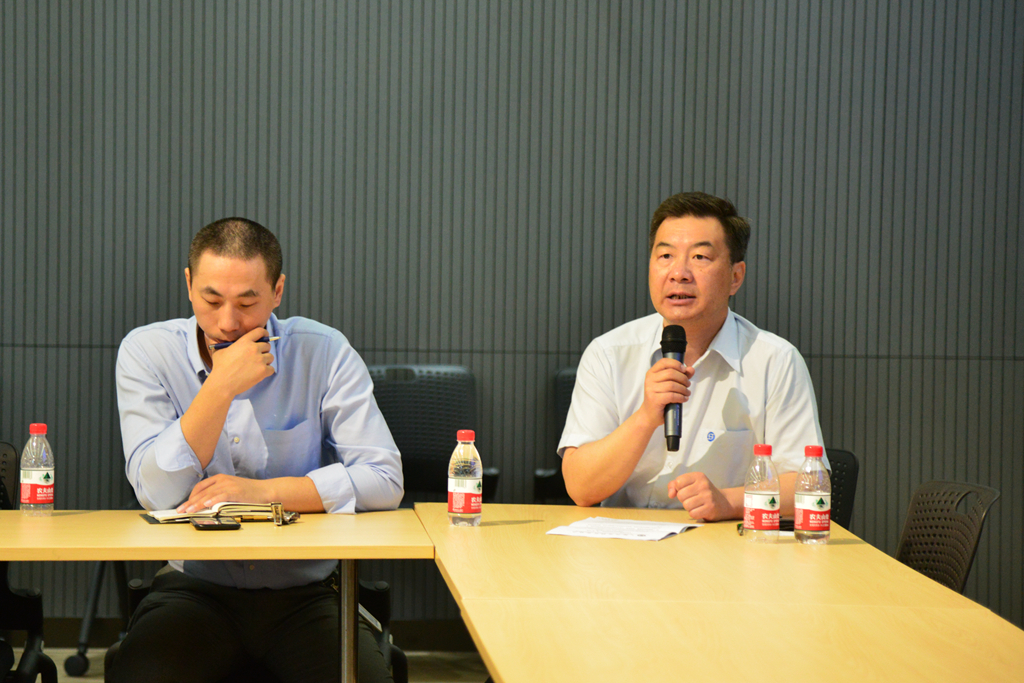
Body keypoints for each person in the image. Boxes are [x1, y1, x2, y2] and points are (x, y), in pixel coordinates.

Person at [112, 217, 403, 683]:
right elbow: (156, 493)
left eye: (247, 303)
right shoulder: (148, 352)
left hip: (306, 594)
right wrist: (220, 386)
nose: (228, 322)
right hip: (194, 589)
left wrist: (264, 493)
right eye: (211, 300)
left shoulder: (323, 351)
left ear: (277, 291)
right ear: (188, 285)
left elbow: (384, 479)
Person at [558, 192, 824, 519]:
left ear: (735, 277)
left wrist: (729, 502)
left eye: (700, 257)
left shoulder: (775, 361)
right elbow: (581, 488)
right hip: (624, 544)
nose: (679, 273)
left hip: (725, 543)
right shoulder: (609, 354)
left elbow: (809, 484)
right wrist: (645, 417)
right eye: (665, 255)